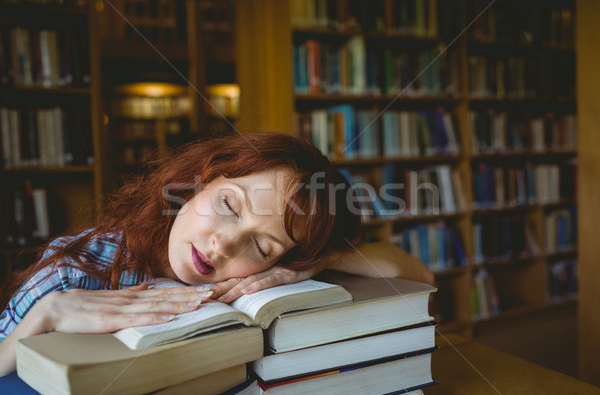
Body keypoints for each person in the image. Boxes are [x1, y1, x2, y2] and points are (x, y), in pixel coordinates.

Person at [0, 132, 433, 375]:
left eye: (262, 246)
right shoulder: (74, 272)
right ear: (198, 182)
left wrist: (318, 261)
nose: (224, 244)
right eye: (228, 205)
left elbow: (417, 273)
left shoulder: (262, 283)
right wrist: (44, 317)